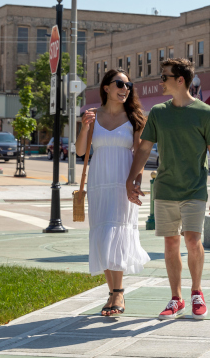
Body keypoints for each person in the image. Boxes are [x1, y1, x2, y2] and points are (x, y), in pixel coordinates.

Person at [131, 58, 210, 320]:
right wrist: (133, 178)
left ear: (180, 80)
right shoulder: (159, 112)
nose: (161, 81)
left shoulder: (206, 113)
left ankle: (196, 292)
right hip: (166, 189)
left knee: (192, 241)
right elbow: (145, 148)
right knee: (171, 243)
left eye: (165, 77)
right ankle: (176, 299)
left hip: (194, 189)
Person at [76, 68, 150, 316]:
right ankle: (112, 294)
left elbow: (139, 154)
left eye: (128, 85)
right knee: (103, 234)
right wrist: (85, 128)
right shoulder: (92, 116)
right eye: (119, 84)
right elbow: (79, 151)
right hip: (99, 182)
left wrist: (135, 183)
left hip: (122, 182)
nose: (125, 89)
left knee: (114, 233)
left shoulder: (135, 118)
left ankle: (118, 294)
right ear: (106, 87)